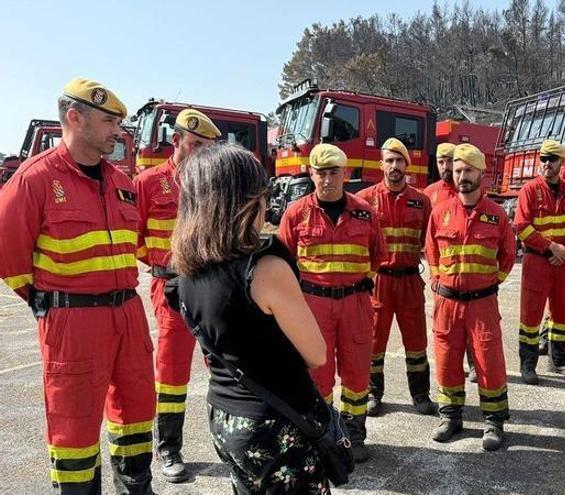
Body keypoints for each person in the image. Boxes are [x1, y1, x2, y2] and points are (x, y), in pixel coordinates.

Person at [0, 78, 156, 493]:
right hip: (73, 320)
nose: (117, 132)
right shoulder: (34, 180)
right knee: (74, 427)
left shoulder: (122, 182)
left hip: (128, 312)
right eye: (108, 121)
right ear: (75, 117)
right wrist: (52, 304)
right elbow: (11, 261)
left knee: (137, 410)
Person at [172, 143, 330, 493]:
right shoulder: (265, 268)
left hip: (225, 417)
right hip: (274, 423)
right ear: (246, 201)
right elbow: (316, 354)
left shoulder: (185, 271)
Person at [278, 143, 385, 463]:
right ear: (310, 174)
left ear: (346, 174)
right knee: (317, 376)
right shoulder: (296, 213)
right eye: (320, 172)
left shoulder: (365, 211)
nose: (327, 179)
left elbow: (378, 256)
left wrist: (354, 283)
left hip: (355, 304)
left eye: (333, 172)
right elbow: (282, 263)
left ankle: (354, 434)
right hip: (313, 307)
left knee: (356, 373)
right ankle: (322, 435)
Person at [133, 108, 220, 482]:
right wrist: (161, 268)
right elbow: (133, 238)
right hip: (169, 287)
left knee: (222, 363)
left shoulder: (213, 184)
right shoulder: (148, 183)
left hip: (210, 285)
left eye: (207, 147)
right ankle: (169, 448)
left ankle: (230, 440)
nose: (200, 153)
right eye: (195, 144)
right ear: (176, 141)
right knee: (171, 372)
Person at [425, 143, 516, 451]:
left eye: (468, 170)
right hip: (447, 303)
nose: (462, 176)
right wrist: (438, 281)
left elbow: (508, 255)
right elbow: (431, 251)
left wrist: (492, 283)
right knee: (448, 361)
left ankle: (493, 421)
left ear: (482, 174)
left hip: (482, 303)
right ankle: (450, 417)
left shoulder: (496, 215)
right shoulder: (440, 213)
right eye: (458, 170)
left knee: (489, 361)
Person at [356, 138, 436, 417]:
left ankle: (421, 395)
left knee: (416, 341)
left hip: (410, 280)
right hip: (378, 280)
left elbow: (433, 241)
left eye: (399, 160)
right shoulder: (365, 200)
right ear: (381, 165)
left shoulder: (422, 201)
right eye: (389, 161)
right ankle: (373, 394)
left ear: (406, 165)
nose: (394, 166)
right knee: (374, 341)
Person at [514, 139, 565, 384]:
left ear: (561, 163)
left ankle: (559, 361)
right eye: (542, 158)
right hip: (538, 262)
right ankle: (528, 364)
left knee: (562, 313)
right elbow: (521, 227)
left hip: (563, 262)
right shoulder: (529, 190)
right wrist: (552, 247)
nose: (545, 163)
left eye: (551, 159)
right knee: (531, 315)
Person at [424, 142, 479, 382]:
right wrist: (436, 277)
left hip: (470, 274)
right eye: (440, 161)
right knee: (447, 330)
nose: (445, 166)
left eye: (449, 160)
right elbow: (429, 238)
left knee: (473, 326)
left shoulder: (465, 189)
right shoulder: (429, 193)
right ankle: (453, 366)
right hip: (444, 278)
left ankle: (474, 364)